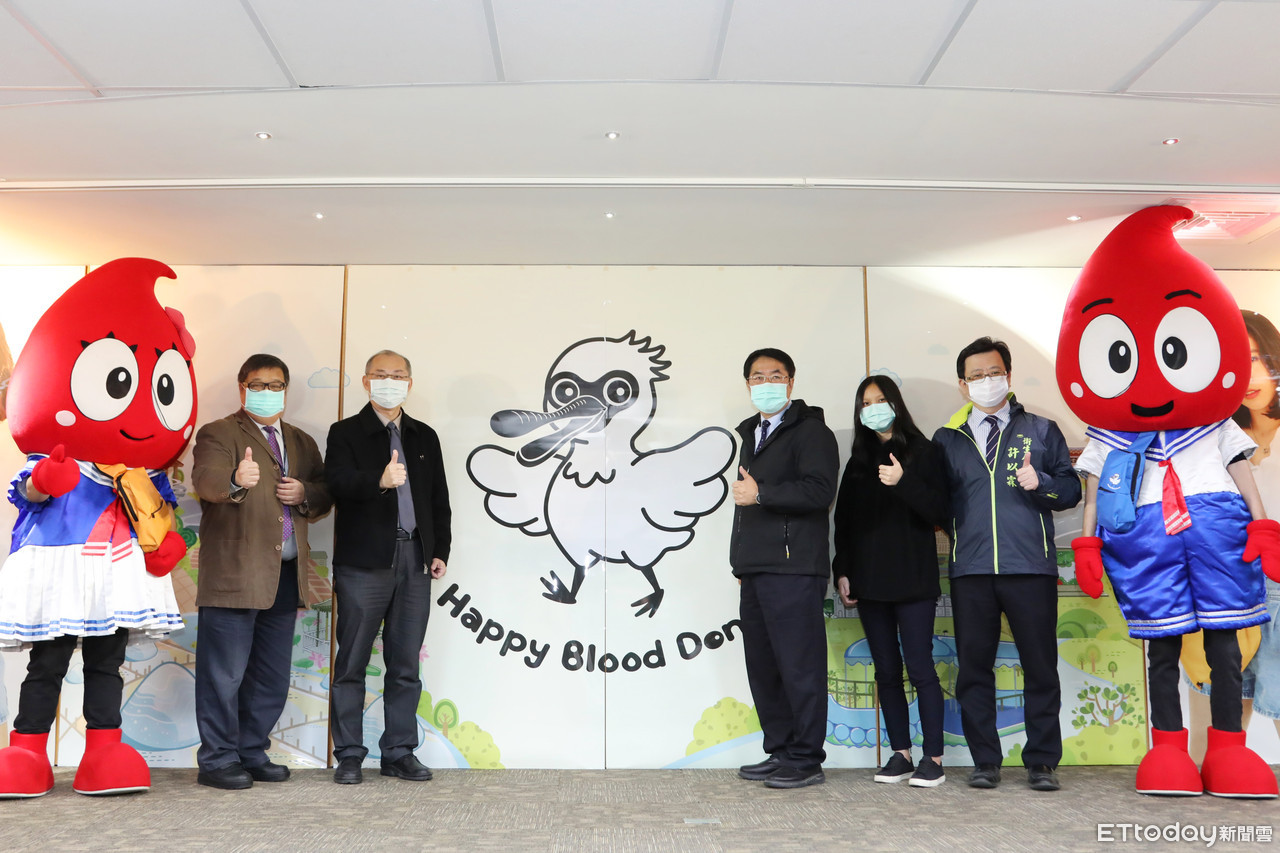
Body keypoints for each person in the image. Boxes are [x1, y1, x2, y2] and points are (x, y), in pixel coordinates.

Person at [933, 336, 1080, 791]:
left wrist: (1042, 483)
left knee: (1040, 667)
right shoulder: (947, 438)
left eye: (993, 372)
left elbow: (1071, 491)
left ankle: (1042, 762)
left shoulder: (1042, 429)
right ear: (963, 384)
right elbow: (935, 503)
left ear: (1009, 376)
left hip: (1030, 567)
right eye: (976, 375)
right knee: (974, 670)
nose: (986, 381)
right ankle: (985, 761)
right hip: (971, 569)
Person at [190, 354, 332, 790]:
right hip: (234, 575)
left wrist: (305, 493)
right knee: (223, 675)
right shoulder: (218, 432)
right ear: (242, 388)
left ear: (286, 390)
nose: (266, 392)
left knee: (270, 676)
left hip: (285, 574)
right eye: (257, 384)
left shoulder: (301, 440)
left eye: (275, 385)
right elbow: (206, 480)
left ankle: (251, 752)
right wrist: (237, 479)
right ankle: (217, 760)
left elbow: (324, 492)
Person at [325, 350, 450, 785]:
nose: (389, 382)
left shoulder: (424, 436)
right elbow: (335, 482)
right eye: (381, 375)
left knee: (405, 663)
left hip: (415, 559)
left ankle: (399, 752)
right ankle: (349, 755)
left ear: (409, 384)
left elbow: (438, 499)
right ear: (365, 382)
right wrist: (377, 481)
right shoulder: (345, 432)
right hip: (364, 563)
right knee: (352, 662)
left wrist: (439, 550)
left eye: (398, 376)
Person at [832, 374, 948, 787]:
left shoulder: (924, 451)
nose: (873, 408)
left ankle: (933, 758)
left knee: (920, 668)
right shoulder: (858, 461)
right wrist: (843, 570)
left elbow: (941, 511)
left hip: (914, 579)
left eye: (880, 400)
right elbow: (843, 524)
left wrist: (904, 483)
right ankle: (901, 754)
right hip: (870, 582)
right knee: (886, 671)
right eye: (865, 403)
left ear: (896, 403)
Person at [730, 348, 839, 789]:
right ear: (748, 385)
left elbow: (820, 492)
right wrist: (739, 558)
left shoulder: (812, 432)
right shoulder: (752, 433)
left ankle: (806, 759)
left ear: (791, 382)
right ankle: (781, 751)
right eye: (757, 377)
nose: (766, 384)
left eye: (775, 376)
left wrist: (762, 494)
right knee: (765, 667)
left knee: (799, 666)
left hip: (794, 568)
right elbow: (746, 502)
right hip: (755, 566)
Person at [1187, 309, 1280, 761]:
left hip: (1277, 582)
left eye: (1256, 358)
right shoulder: (1212, 439)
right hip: (1229, 583)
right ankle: (1213, 778)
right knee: (1222, 709)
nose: (1248, 376)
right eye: (1235, 364)